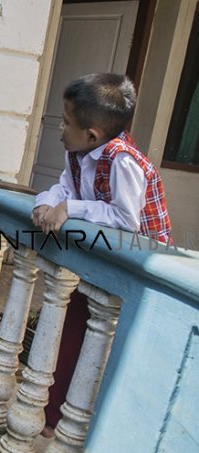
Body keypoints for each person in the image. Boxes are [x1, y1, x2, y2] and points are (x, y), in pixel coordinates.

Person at [31, 73, 172, 434]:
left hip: (139, 266)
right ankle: (52, 417)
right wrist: (46, 203)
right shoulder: (77, 153)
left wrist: (71, 209)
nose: (59, 129)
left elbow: (126, 220)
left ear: (92, 134)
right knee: (73, 328)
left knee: (116, 347)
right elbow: (63, 188)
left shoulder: (122, 160)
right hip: (100, 258)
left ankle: (80, 423)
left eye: (65, 122)